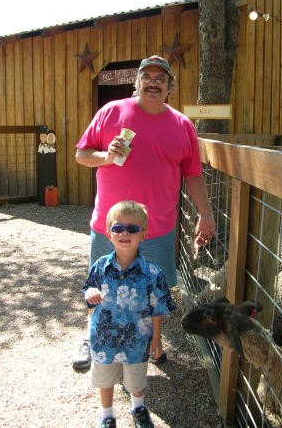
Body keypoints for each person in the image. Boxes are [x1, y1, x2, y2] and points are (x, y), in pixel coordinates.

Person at [73, 54, 216, 370]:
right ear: (136, 83)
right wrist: (106, 156)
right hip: (109, 225)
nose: (153, 82)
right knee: (102, 285)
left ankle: (154, 343)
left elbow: (192, 174)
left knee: (154, 291)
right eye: (147, 77)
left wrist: (206, 214)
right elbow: (82, 155)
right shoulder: (112, 112)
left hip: (158, 228)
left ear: (170, 86)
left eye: (160, 78)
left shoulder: (182, 125)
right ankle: (92, 338)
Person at [83, 200, 175, 428]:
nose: (125, 233)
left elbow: (157, 309)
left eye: (132, 229)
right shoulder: (99, 267)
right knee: (105, 378)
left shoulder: (153, 273)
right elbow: (88, 289)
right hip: (104, 339)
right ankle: (106, 414)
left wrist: (156, 337)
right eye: (118, 228)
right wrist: (91, 293)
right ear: (108, 233)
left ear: (143, 234)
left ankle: (138, 407)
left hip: (137, 341)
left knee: (136, 378)